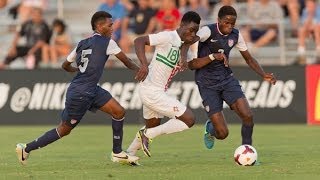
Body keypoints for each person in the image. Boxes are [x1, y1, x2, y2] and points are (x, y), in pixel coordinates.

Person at [15, 11, 148, 165]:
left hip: (90, 88)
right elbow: (127, 61)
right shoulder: (108, 42)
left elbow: (64, 65)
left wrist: (77, 70)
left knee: (119, 111)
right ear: (99, 26)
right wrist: (142, 69)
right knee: (64, 129)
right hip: (81, 93)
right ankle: (26, 148)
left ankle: (117, 152)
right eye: (110, 25)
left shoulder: (81, 43)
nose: (113, 27)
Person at [187, 6, 277, 150]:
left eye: (232, 24)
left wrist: (263, 74)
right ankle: (210, 128)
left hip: (226, 79)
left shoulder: (236, 35)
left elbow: (249, 58)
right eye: (226, 23)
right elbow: (189, 40)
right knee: (222, 134)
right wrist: (189, 57)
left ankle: (247, 150)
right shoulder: (207, 31)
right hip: (207, 83)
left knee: (247, 116)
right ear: (219, 20)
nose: (229, 26)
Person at [125, 11, 201, 158]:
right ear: (182, 25)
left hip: (154, 91)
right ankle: (147, 134)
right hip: (151, 91)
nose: (192, 34)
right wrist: (144, 65)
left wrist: (209, 56)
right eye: (190, 29)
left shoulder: (184, 46)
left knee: (152, 125)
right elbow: (139, 41)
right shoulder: (168, 36)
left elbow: (191, 56)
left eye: (195, 31)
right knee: (189, 119)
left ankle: (129, 153)